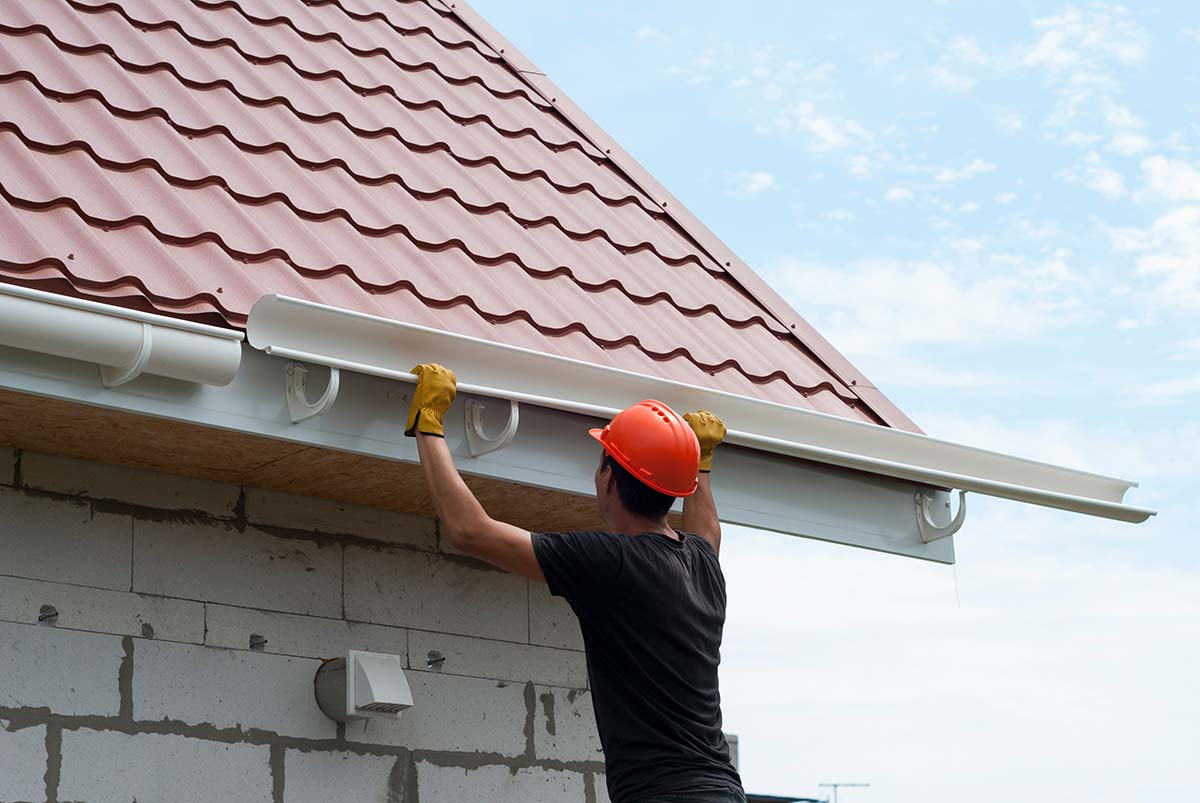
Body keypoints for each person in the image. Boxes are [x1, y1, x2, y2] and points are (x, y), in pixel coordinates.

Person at [407, 363, 745, 803]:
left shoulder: (614, 563)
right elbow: (708, 530)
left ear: (608, 476)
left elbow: (470, 531)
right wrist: (699, 463)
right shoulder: (702, 564)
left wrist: (428, 423)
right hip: (722, 788)